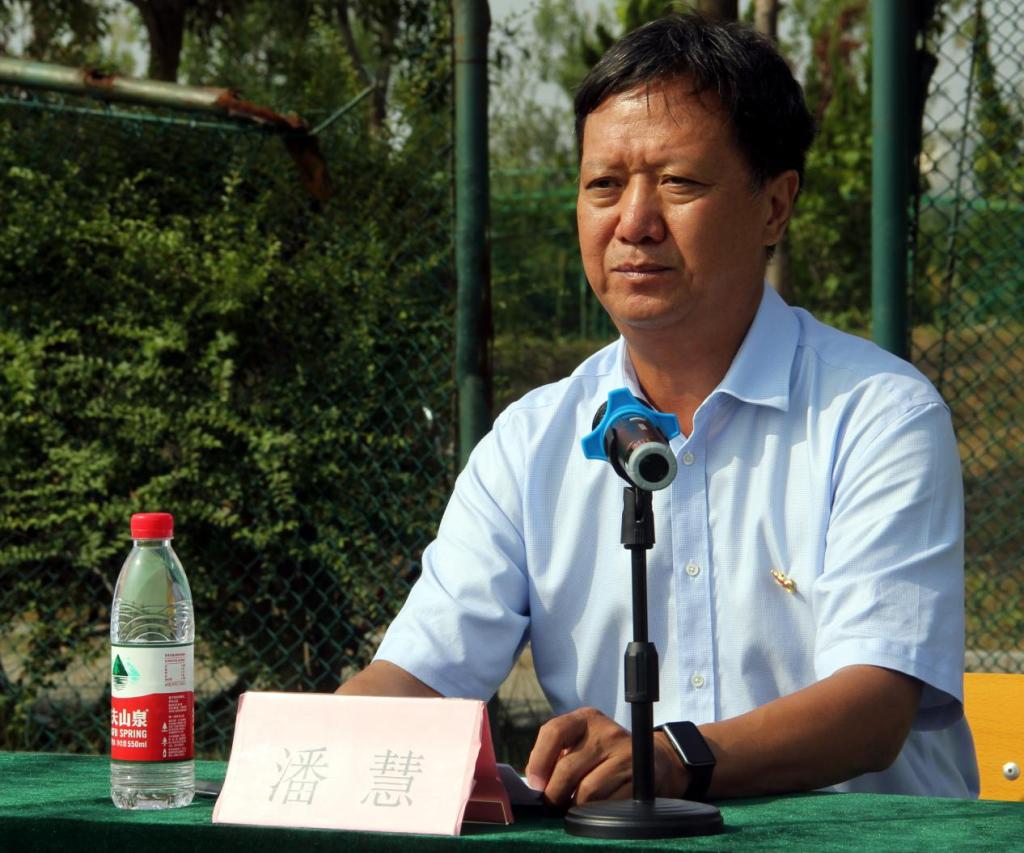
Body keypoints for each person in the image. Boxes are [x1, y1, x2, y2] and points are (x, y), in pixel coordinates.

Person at [338, 13, 978, 804]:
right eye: (603, 185)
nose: (634, 223)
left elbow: (873, 707)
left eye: (678, 183)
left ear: (775, 206)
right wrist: (306, 748)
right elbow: (418, 676)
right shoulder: (530, 443)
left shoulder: (879, 416)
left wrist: (672, 758)